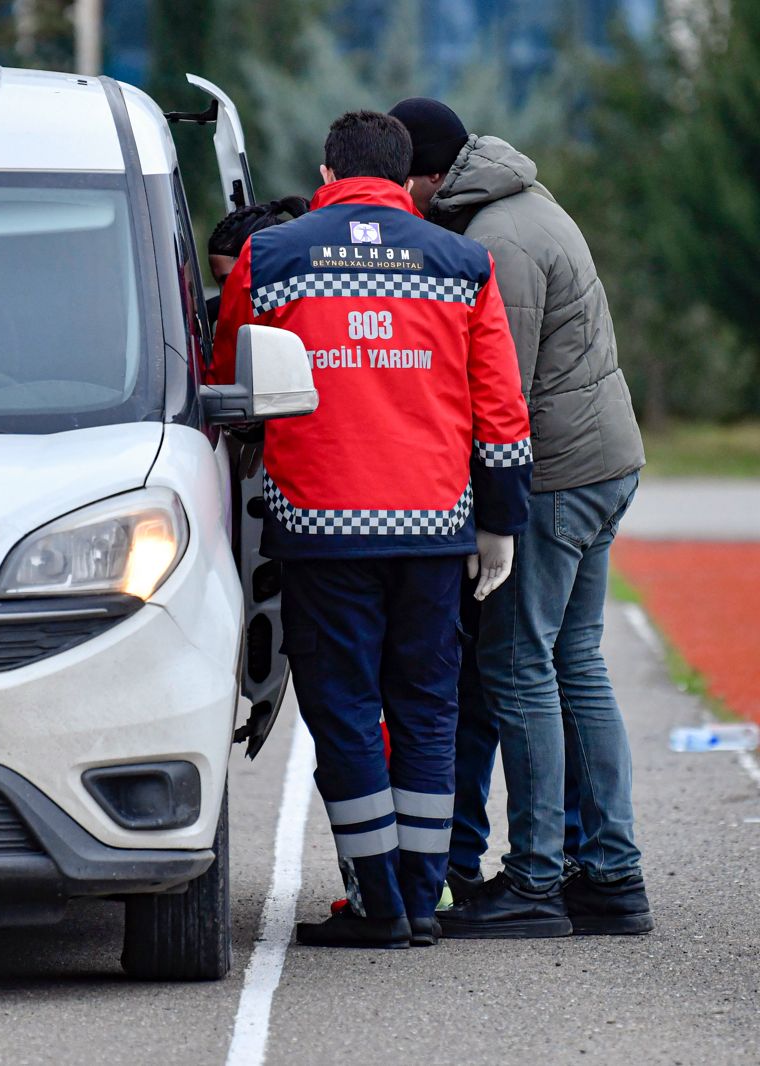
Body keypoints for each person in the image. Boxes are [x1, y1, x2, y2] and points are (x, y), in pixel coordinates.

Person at [213, 111, 532, 948]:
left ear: (326, 170)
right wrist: (501, 519)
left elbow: (227, 380)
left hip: (320, 528)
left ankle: (380, 901)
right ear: (404, 177)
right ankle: (424, 899)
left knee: (345, 708)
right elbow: (501, 409)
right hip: (434, 528)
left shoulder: (274, 256)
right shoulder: (464, 263)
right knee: (428, 705)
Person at [390, 97, 652, 937]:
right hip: (606, 461)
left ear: (430, 175)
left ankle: (537, 880)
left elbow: (501, 394)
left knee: (517, 667)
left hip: (558, 478)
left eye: (405, 184)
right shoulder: (522, 202)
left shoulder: (497, 239)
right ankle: (609, 873)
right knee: (576, 661)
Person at [205, 196, 310, 322]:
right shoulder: (211, 315)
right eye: (220, 285)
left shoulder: (308, 314)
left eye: (231, 282)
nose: (223, 296)